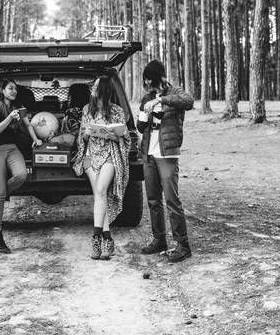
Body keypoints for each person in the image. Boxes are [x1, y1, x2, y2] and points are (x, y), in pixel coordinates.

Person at [136, 59, 194, 263]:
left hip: (167, 154)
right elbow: (140, 127)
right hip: (148, 154)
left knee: (172, 200)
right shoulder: (146, 98)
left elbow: (188, 102)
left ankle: (183, 245)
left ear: (157, 78)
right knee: (153, 200)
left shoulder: (175, 92)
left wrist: (162, 101)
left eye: (149, 81)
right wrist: (143, 117)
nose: (147, 85)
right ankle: (159, 239)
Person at [72, 76, 131, 260]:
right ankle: (108, 239)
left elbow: (125, 138)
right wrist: (87, 134)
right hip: (89, 156)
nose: (92, 88)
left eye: (96, 86)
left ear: (103, 90)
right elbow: (81, 139)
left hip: (110, 155)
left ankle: (96, 238)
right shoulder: (86, 110)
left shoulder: (117, 111)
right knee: (100, 194)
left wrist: (113, 135)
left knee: (100, 189)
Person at [0, 79, 39, 253]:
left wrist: (35, 139)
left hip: (12, 148)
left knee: (21, 175)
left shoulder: (19, 107)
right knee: (0, 193)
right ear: (2, 90)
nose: (14, 91)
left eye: (15, 88)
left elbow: (28, 124)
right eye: (10, 88)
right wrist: (9, 117)